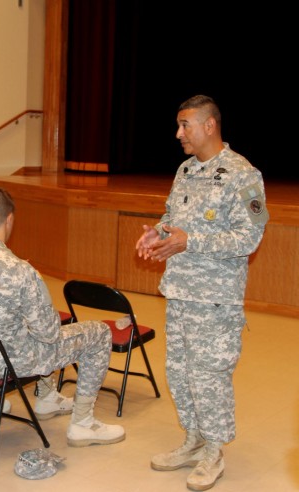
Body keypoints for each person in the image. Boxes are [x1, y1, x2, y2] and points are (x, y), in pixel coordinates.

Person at [135, 95, 269, 491]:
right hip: (180, 291)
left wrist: (188, 241)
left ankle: (214, 450)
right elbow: (172, 219)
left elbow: (251, 235)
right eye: (178, 125)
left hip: (215, 298)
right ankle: (193, 439)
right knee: (180, 371)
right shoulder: (186, 170)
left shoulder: (244, 175)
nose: (179, 133)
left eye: (185, 125)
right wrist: (157, 233)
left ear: (209, 125)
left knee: (210, 375)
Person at [0, 187, 125, 445]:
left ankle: (48, 399)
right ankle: (83, 424)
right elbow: (49, 334)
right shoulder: (20, 271)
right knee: (99, 333)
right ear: (9, 220)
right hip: (11, 362)